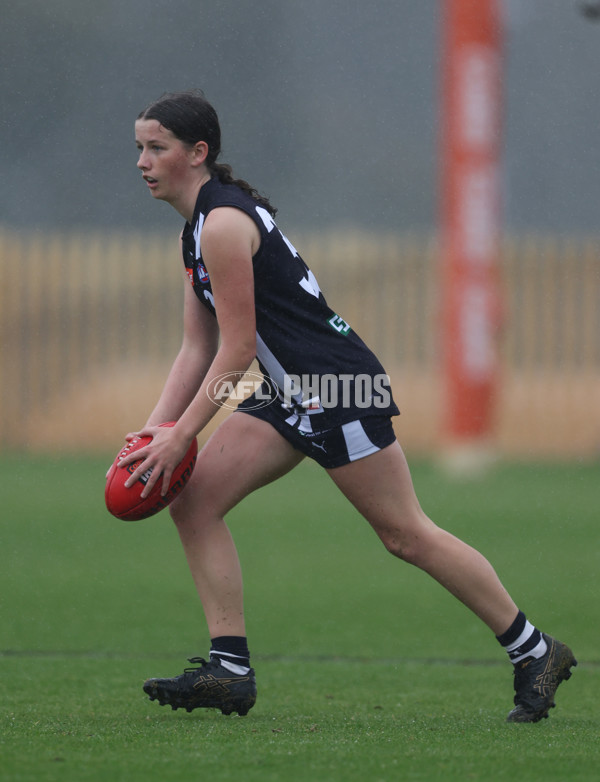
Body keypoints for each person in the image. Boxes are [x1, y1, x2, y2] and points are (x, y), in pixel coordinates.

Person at [120, 89, 576, 722]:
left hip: (336, 389)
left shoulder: (223, 225)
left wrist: (184, 435)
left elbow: (237, 350)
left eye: (156, 147)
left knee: (405, 535)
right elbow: (197, 343)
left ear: (197, 153)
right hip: (289, 393)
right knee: (193, 501)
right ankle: (229, 671)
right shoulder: (196, 230)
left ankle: (536, 651)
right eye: (139, 147)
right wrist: (157, 429)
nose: (142, 161)